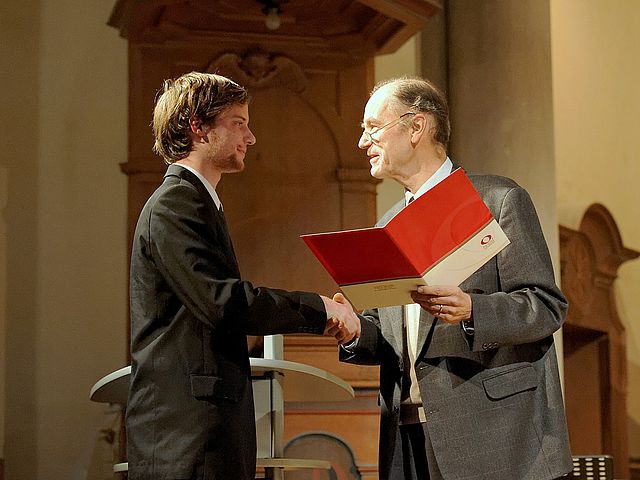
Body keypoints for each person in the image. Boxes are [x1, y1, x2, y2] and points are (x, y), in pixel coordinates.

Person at [126, 71, 360, 480]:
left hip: (199, 429)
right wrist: (319, 308)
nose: (250, 138)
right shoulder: (176, 202)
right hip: (187, 434)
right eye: (238, 123)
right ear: (198, 127)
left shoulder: (196, 202)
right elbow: (225, 303)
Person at [338, 77, 572, 480]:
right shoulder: (386, 227)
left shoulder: (497, 200)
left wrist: (473, 310)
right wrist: (354, 329)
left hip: (495, 434)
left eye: (373, 126)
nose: (363, 142)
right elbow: (393, 338)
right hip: (408, 435)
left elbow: (545, 305)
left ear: (416, 127)